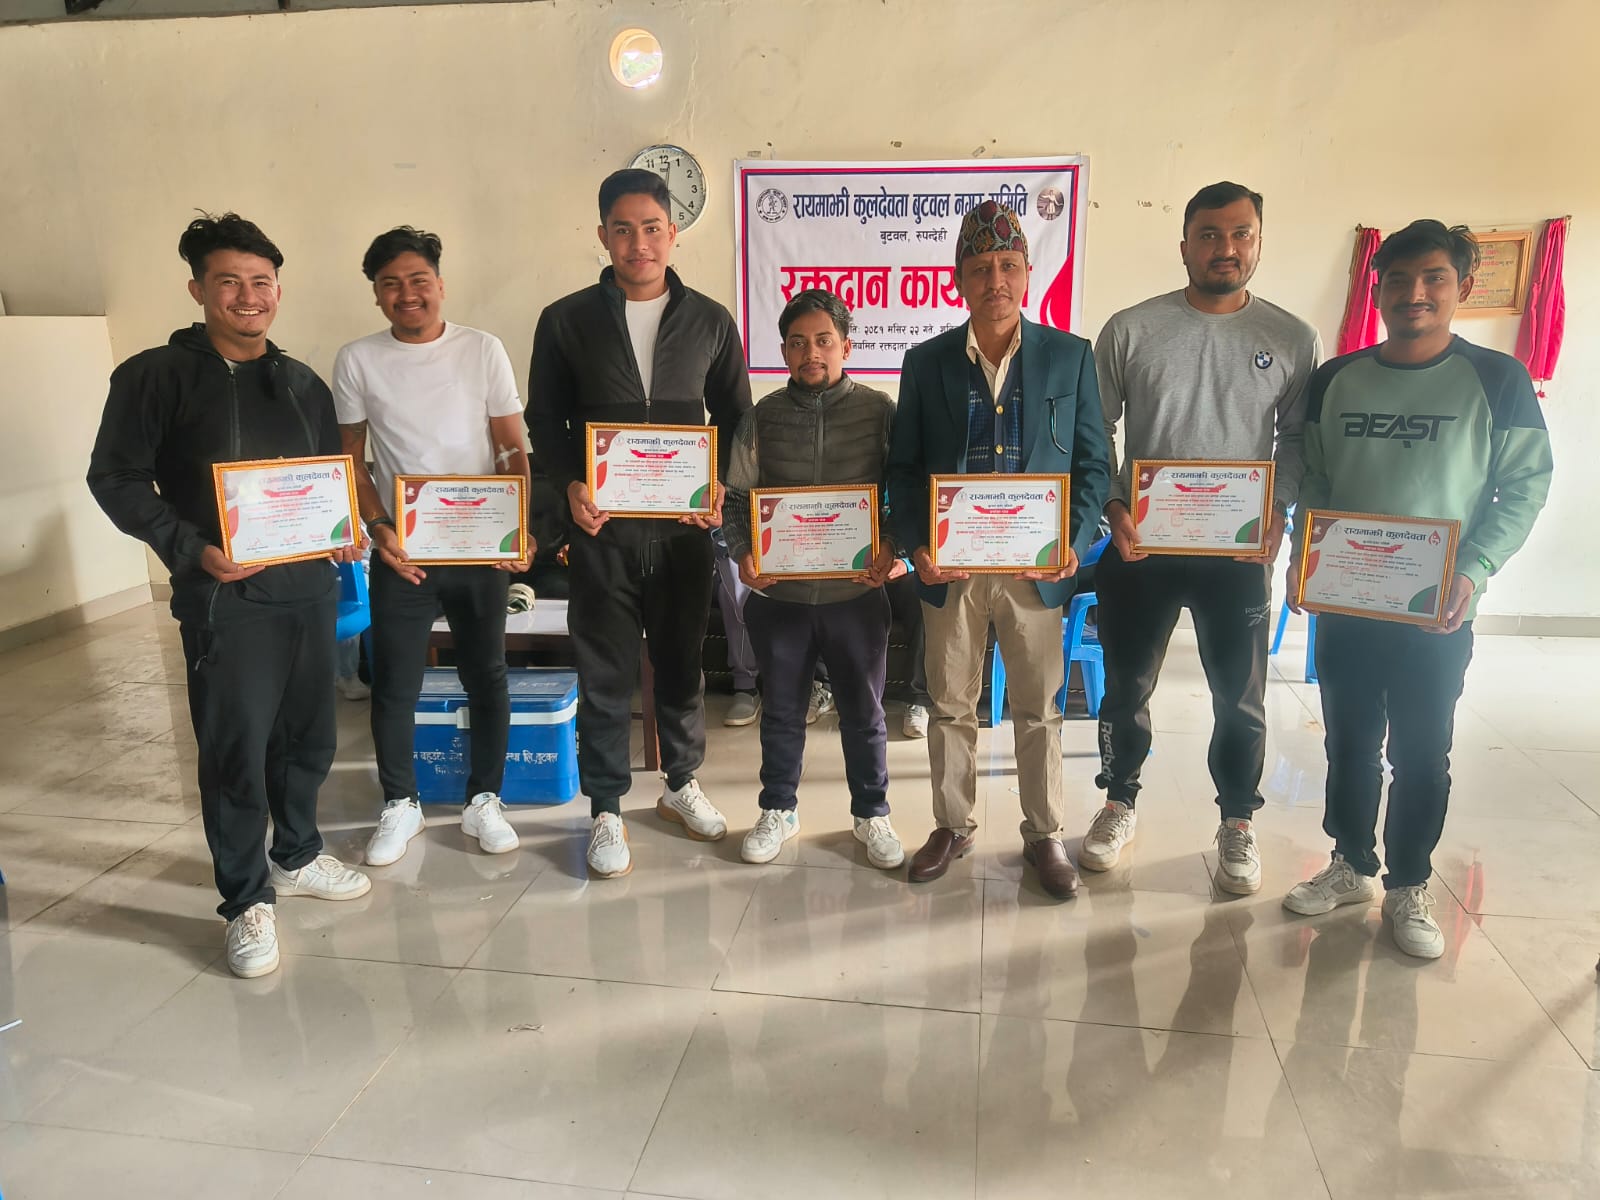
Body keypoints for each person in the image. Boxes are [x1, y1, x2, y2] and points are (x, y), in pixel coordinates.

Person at [87, 213, 370, 979]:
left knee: (309, 740)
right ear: (198, 290)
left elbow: (327, 481)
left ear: (278, 289)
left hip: (308, 592)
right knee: (235, 749)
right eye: (229, 282)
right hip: (226, 600)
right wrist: (190, 548)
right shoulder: (155, 377)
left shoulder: (302, 383)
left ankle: (297, 855)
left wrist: (342, 529)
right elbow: (114, 477)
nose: (248, 297)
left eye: (261, 282)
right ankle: (246, 899)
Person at [1282, 220, 1552, 958]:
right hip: (1348, 602)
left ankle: (1409, 882)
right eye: (1398, 279)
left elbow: (1525, 486)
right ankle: (1350, 863)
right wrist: (1305, 559)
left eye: (1434, 278)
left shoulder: (1498, 380)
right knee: (1348, 743)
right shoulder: (1337, 379)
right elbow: (1317, 480)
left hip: (1436, 611)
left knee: (1423, 752)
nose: (1415, 293)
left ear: (1463, 287)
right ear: (1377, 290)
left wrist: (1474, 568)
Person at [1085, 181, 1321, 895]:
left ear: (1259, 242)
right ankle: (1118, 801)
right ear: (1184, 244)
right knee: (1126, 688)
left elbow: (1296, 442)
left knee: (1239, 699)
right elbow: (1095, 433)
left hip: (1236, 554)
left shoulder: (1291, 338)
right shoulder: (1130, 330)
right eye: (1210, 234)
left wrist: (1278, 511)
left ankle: (1237, 820)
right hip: (1141, 549)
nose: (1226, 248)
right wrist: (1114, 505)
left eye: (1241, 233)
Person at [526, 169, 752, 878]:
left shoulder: (711, 320)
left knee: (682, 664)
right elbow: (544, 421)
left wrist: (721, 485)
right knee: (604, 671)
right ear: (603, 235)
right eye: (623, 229)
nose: (638, 243)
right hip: (603, 534)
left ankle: (681, 784)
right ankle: (605, 809)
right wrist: (569, 485)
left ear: (673, 234)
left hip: (682, 534)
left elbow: (738, 417)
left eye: (652, 228)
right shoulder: (566, 320)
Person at [886, 200, 1111, 900]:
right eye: (980, 268)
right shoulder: (925, 362)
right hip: (950, 569)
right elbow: (902, 469)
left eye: (1008, 265)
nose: (995, 281)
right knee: (951, 704)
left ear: (1028, 273)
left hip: (1033, 570)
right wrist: (916, 545)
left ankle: (1044, 834)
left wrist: (1073, 540)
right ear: (959, 278)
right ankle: (952, 826)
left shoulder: (1070, 357)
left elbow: (1094, 464)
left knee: (1039, 709)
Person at [333, 227, 532, 867]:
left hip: (480, 548)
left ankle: (484, 800)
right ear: (376, 294)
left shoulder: (482, 349)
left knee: (487, 674)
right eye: (390, 284)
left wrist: (518, 526)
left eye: (419, 280)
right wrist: (379, 528)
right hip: (405, 553)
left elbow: (510, 446)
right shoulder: (357, 359)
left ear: (440, 285)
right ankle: (401, 803)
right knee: (395, 681)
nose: (407, 294)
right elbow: (352, 460)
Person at [723, 289, 906, 868]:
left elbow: (903, 493)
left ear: (846, 346)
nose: (811, 353)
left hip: (857, 594)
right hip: (781, 595)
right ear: (783, 351)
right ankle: (778, 808)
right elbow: (735, 500)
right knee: (781, 711)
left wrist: (892, 546)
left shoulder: (879, 412)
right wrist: (743, 550)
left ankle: (871, 812)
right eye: (798, 343)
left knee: (864, 712)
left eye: (824, 341)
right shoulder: (762, 416)